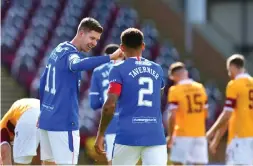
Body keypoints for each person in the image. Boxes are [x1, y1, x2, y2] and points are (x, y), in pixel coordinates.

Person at [38, 17, 122, 165]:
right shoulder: (71, 55)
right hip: (63, 122)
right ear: (81, 33)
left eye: (97, 40)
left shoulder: (58, 49)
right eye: (92, 38)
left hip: (47, 120)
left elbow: (43, 82)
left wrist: (42, 112)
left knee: (48, 163)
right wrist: (109, 58)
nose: (94, 43)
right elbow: (77, 65)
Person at [94, 28, 167, 165]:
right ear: (143, 46)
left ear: (121, 47)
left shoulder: (118, 69)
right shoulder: (157, 68)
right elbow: (159, 95)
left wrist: (100, 134)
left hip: (128, 134)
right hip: (154, 134)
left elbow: (110, 105)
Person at [207, 54, 253, 165]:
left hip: (239, 137)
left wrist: (210, 132)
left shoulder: (234, 85)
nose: (228, 73)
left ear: (233, 67)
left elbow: (227, 115)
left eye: (228, 70)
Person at [166, 62, 209, 165]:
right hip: (199, 133)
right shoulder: (200, 88)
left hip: (182, 133)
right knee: (199, 164)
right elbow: (206, 113)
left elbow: (172, 116)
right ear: (186, 73)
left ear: (173, 77)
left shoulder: (175, 90)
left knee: (177, 163)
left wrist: (171, 136)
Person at [89, 43, 124, 165]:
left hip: (111, 122)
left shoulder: (98, 71)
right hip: (132, 120)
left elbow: (93, 104)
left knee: (114, 161)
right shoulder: (130, 68)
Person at [0, 98, 40, 165]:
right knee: (48, 160)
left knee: (21, 162)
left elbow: (4, 150)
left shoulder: (2, 127)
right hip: (48, 112)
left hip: (28, 113)